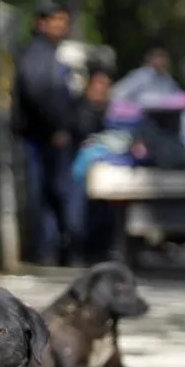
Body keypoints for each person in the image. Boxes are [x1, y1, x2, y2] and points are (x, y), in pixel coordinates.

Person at [12, 0, 74, 266]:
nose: (61, 28)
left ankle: (50, 250)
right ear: (41, 23)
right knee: (45, 197)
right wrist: (55, 128)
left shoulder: (47, 53)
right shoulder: (39, 54)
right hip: (40, 139)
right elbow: (37, 90)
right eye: (56, 21)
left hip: (44, 138)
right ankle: (45, 252)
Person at [66, 66, 112, 264]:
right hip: (80, 171)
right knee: (76, 216)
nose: (101, 90)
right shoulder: (79, 109)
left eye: (105, 86)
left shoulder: (110, 113)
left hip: (103, 172)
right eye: (98, 85)